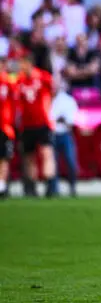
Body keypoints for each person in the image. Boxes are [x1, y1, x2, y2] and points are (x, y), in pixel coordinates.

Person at [17, 53, 57, 197]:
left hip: (42, 122)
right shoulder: (19, 80)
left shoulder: (43, 77)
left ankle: (49, 185)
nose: (20, 67)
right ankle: (32, 187)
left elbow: (54, 91)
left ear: (29, 63)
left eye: (22, 63)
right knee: (29, 156)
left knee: (47, 153)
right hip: (27, 124)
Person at [50, 79, 79, 197]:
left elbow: (70, 121)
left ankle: (72, 187)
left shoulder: (67, 100)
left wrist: (58, 119)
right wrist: (58, 119)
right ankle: (53, 189)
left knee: (71, 161)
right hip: (51, 134)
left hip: (65, 134)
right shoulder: (46, 98)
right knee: (52, 163)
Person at [0, 58, 17, 199]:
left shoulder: (10, 82)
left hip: (5, 128)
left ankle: (2, 187)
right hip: (5, 127)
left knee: (4, 158)